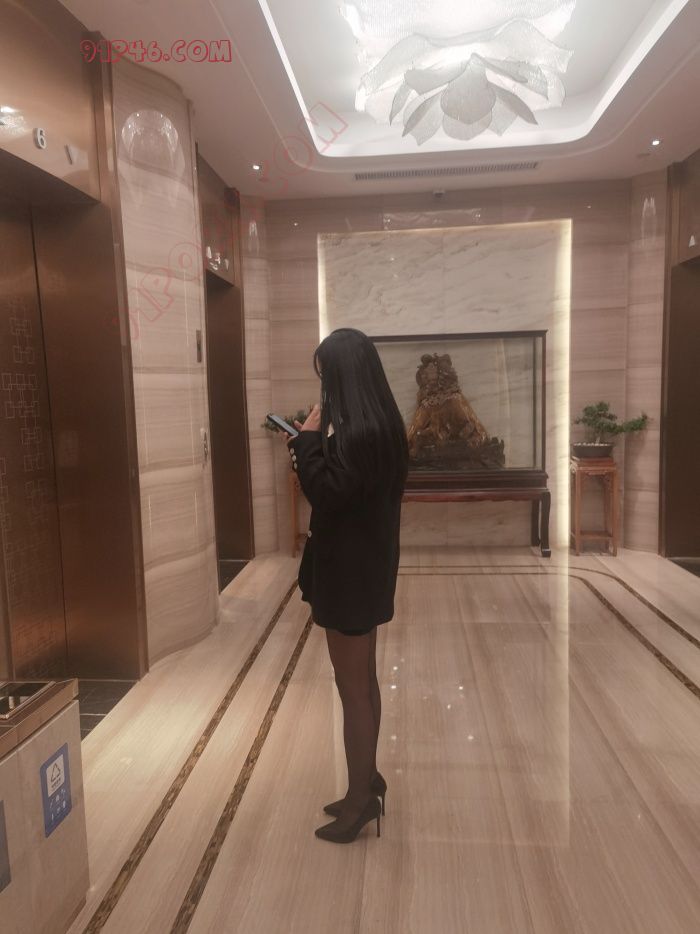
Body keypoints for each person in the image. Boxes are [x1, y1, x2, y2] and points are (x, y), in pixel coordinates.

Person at [284, 328, 409, 844]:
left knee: (352, 689)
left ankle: (360, 801)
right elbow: (348, 491)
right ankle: (367, 780)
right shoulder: (382, 425)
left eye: (327, 377)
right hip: (367, 570)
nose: (324, 388)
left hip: (350, 576)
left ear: (343, 377)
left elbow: (328, 495)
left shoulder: (359, 435)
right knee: (364, 681)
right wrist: (315, 442)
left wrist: (306, 445)